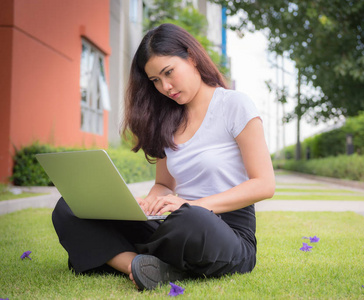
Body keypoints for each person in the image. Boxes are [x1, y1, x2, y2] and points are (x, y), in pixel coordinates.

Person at [52, 23, 275, 291]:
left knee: (192, 221)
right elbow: (164, 186)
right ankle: (138, 264)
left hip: (221, 231)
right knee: (72, 205)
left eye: (168, 72)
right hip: (173, 223)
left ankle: (111, 252)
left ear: (191, 57)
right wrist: (146, 205)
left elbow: (264, 184)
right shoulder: (166, 119)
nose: (165, 86)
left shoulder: (235, 104)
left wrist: (194, 205)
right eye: (155, 80)